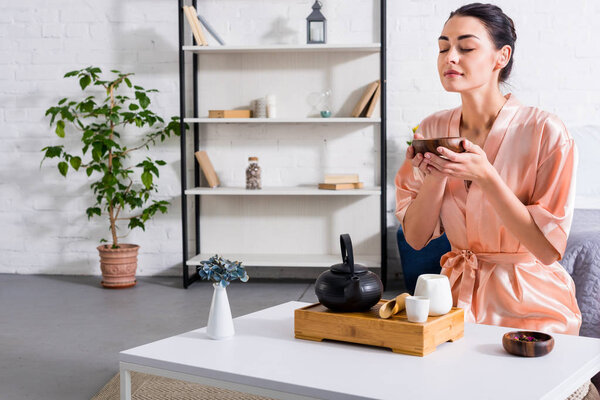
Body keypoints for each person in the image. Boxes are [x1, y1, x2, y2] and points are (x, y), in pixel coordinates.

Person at [395, 3, 582, 336]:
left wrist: (486, 176)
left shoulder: (546, 131)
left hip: (530, 303)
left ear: (502, 56)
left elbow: (547, 251)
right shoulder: (431, 128)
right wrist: (436, 177)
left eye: (465, 47)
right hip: (450, 300)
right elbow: (416, 238)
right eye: (443, 48)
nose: (449, 57)